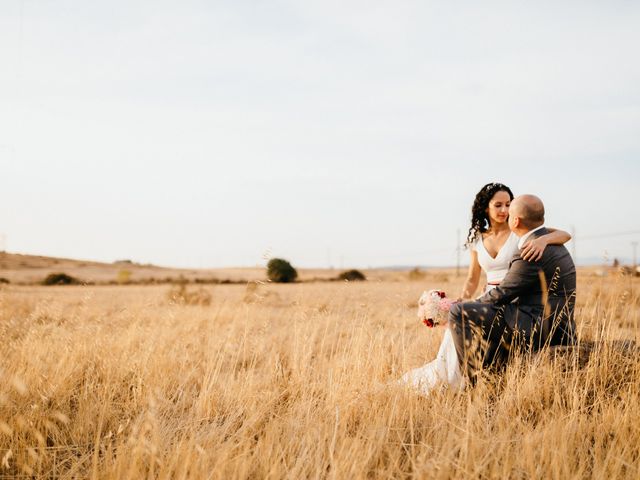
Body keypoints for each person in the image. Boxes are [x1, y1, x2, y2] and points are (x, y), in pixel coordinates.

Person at [399, 183, 571, 394]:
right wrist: (461, 299)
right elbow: (472, 278)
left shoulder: (519, 231)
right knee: (457, 326)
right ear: (486, 208)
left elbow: (563, 234)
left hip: (512, 297)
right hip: (489, 296)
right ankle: (454, 380)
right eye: (498, 205)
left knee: (472, 320)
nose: (504, 210)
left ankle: (474, 382)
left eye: (508, 205)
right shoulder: (478, 239)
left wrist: (544, 240)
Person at [448, 194, 577, 385]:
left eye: (509, 211)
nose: (505, 213)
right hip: (557, 324)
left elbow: (502, 294)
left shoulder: (530, 250)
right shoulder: (550, 242)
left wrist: (470, 305)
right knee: (494, 314)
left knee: (459, 312)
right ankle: (494, 371)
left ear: (515, 221)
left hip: (537, 325)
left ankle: (476, 382)